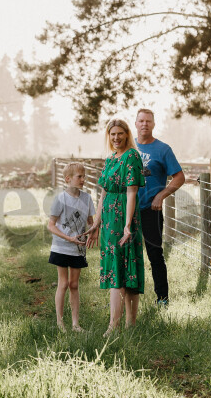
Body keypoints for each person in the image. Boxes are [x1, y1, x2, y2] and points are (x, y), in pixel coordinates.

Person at [85, 118, 145, 336]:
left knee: (125, 268)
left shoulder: (132, 156)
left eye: (120, 133)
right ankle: (122, 325)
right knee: (116, 268)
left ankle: (119, 326)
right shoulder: (110, 159)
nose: (116, 138)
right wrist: (96, 222)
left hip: (124, 218)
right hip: (109, 220)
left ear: (127, 134)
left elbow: (132, 192)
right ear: (108, 136)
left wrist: (128, 225)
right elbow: (103, 194)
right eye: (112, 134)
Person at [134, 108, 184, 305]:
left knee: (155, 254)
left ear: (153, 124)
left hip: (150, 210)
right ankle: (125, 297)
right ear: (135, 124)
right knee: (127, 254)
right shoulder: (129, 147)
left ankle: (162, 299)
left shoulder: (163, 149)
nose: (144, 124)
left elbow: (179, 177)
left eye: (148, 121)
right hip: (128, 211)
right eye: (141, 121)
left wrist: (161, 195)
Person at [47, 162, 96, 332]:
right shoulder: (60, 199)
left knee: (74, 285)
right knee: (63, 283)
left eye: (84, 176)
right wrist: (68, 238)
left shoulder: (87, 198)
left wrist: (94, 231)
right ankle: (60, 323)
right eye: (79, 176)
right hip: (61, 247)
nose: (83, 179)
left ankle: (75, 324)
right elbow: (51, 225)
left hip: (78, 249)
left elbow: (91, 222)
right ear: (68, 179)